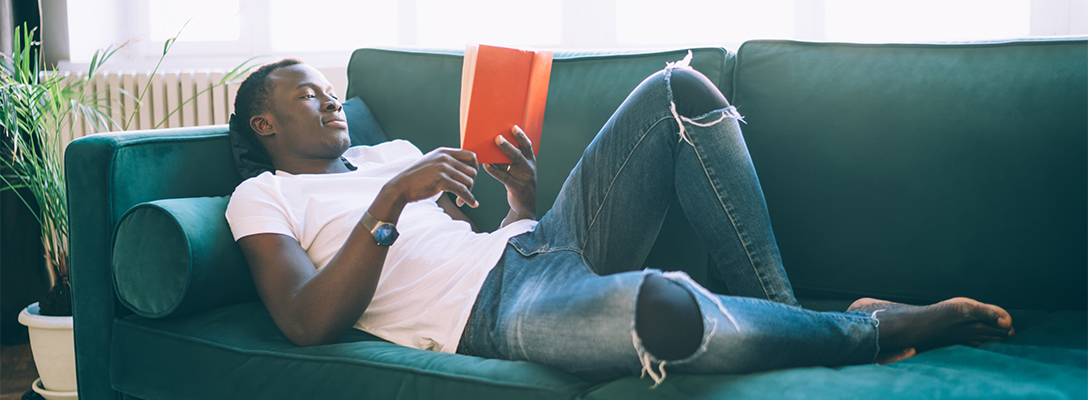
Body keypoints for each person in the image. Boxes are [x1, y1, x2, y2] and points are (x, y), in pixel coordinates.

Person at [225, 56, 1015, 386]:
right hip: (498, 314)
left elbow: (479, 240)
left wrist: (525, 201)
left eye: (331, 90)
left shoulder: (386, 151)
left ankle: (788, 310)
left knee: (681, 89)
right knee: (657, 308)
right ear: (264, 124)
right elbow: (306, 321)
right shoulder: (265, 195)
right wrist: (393, 200)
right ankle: (867, 333)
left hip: (543, 245)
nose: (331, 102)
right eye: (308, 94)